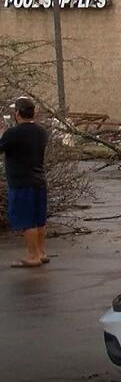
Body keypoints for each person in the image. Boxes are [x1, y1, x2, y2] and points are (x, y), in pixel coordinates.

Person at [0, 97, 50, 268]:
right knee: (39, 220)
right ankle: (41, 252)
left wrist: (2, 134)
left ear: (17, 114)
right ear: (33, 112)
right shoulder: (42, 132)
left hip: (21, 182)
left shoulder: (13, 134)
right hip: (39, 180)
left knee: (27, 221)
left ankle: (33, 255)